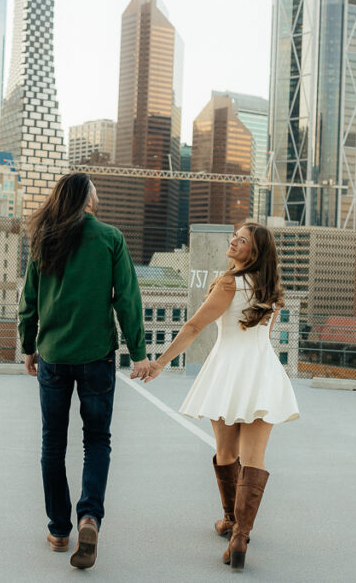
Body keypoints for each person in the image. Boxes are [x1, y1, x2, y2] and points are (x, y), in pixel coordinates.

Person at [135, 222, 298, 571]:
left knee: (226, 452)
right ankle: (240, 534)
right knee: (255, 457)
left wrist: (161, 363)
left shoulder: (229, 284)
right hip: (263, 373)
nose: (233, 241)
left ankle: (230, 521)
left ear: (253, 252)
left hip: (227, 372)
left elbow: (194, 326)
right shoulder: (271, 288)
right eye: (234, 236)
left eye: (241, 240)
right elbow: (262, 337)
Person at [19, 172, 150, 570]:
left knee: (52, 444)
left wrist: (28, 346)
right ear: (85, 198)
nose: (99, 194)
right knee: (97, 440)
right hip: (96, 355)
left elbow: (29, 300)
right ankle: (89, 517)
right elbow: (127, 298)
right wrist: (140, 352)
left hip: (54, 355)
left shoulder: (44, 238)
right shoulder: (110, 237)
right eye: (94, 189)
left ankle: (60, 531)